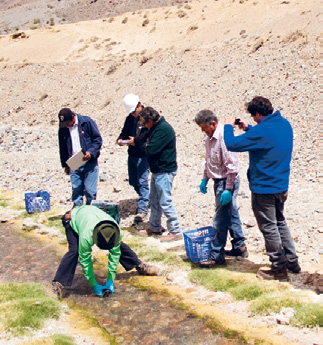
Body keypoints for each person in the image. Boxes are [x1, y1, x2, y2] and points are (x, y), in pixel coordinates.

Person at [224, 96, 300, 281]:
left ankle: (278, 268)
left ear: (257, 113)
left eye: (253, 117)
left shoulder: (262, 131)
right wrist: (248, 128)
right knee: (280, 222)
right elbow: (265, 136)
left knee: (269, 227)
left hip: (264, 187)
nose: (253, 119)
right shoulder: (283, 124)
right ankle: (292, 261)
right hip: (281, 186)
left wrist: (228, 126)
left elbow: (231, 144)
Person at [52, 205, 158, 298]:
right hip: (71, 218)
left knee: (119, 245)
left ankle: (139, 265)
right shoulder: (86, 236)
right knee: (74, 251)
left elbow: (115, 255)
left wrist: (110, 280)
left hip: (91, 214)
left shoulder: (116, 230)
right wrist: (94, 284)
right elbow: (85, 261)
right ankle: (57, 284)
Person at [195, 110, 248, 268]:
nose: (202, 131)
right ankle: (239, 246)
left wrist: (228, 188)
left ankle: (216, 255)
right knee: (231, 213)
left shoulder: (223, 137)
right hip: (217, 180)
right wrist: (205, 178)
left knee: (220, 219)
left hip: (227, 181)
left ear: (213, 124)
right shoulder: (209, 138)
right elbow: (208, 160)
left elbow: (233, 167)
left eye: (204, 127)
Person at [138, 107, 182, 242]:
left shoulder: (163, 129)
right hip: (157, 170)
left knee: (165, 201)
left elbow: (151, 150)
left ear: (150, 120)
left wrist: (143, 145)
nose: (143, 126)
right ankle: (155, 226)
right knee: (154, 200)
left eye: (144, 123)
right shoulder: (155, 128)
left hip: (165, 170)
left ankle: (175, 230)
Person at [58, 108, 102, 206]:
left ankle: (90, 214)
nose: (66, 126)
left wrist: (90, 152)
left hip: (89, 162)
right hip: (74, 162)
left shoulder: (86, 122)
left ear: (73, 117)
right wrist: (65, 165)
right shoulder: (63, 128)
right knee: (76, 192)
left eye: (67, 123)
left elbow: (97, 140)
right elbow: (63, 147)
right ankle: (78, 214)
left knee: (90, 191)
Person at [116, 94, 149, 222]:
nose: (133, 114)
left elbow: (149, 136)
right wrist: (120, 139)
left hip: (143, 154)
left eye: (134, 111)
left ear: (139, 105)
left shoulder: (148, 118)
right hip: (132, 153)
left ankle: (142, 208)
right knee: (133, 181)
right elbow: (125, 132)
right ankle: (146, 198)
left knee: (142, 181)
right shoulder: (130, 119)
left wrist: (136, 141)